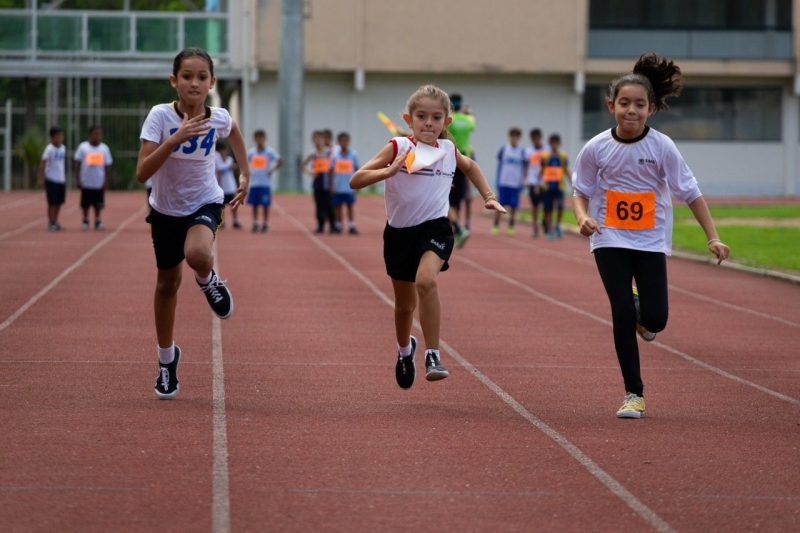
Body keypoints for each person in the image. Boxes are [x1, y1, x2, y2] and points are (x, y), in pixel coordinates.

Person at [572, 52, 730, 419]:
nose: (631, 111)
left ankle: (644, 316)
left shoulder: (662, 147)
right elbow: (580, 191)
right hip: (609, 237)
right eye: (624, 103)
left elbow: (691, 193)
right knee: (622, 311)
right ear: (611, 105)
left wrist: (713, 237)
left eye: (639, 105)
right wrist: (582, 218)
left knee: (656, 318)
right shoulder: (596, 147)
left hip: (650, 239)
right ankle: (634, 393)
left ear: (652, 108)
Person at [350, 84, 506, 389]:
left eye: (436, 118)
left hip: (435, 229)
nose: (428, 123)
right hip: (399, 234)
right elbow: (356, 179)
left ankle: (433, 353)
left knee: (426, 281)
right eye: (421, 116)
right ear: (409, 119)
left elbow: (471, 166)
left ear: (447, 122)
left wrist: (488, 195)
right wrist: (388, 172)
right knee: (404, 306)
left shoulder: (448, 150)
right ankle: (405, 350)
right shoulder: (398, 147)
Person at [135, 47, 250, 400]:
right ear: (174, 81)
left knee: (199, 253)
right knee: (167, 285)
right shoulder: (159, 117)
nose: (194, 83)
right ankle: (167, 360)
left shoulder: (217, 117)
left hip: (205, 201)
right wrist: (175, 139)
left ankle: (208, 278)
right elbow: (142, 173)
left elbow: (234, 133)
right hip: (165, 210)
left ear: (212, 82)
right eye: (187, 76)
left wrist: (245, 173)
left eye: (202, 77)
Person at [447, 93, 476, 247]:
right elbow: (472, 122)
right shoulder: (468, 120)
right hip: (464, 159)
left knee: (444, 197)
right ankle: (457, 229)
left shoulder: (449, 120)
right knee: (457, 198)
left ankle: (456, 228)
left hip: (451, 158)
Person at [74, 125, 113, 231]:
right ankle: (85, 219)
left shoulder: (104, 148)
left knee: (98, 203)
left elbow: (107, 166)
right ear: (90, 134)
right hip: (86, 181)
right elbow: (77, 164)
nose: (98, 136)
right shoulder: (83, 147)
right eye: (96, 134)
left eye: (100, 134)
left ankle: (97, 220)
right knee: (85, 203)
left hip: (98, 182)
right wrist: (77, 179)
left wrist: (106, 181)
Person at [492, 127, 526, 236]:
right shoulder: (504, 150)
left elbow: (525, 167)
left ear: (519, 138)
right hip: (504, 182)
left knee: (514, 208)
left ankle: (511, 226)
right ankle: (496, 225)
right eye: (512, 136)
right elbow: (499, 165)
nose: (514, 139)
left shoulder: (522, 152)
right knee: (499, 206)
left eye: (516, 137)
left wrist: (523, 180)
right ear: (509, 137)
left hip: (515, 184)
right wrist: (497, 180)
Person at [247, 129, 282, 232]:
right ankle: (255, 222)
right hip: (254, 183)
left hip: (265, 183)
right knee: (254, 204)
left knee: (265, 204)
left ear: (264, 139)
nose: (259, 140)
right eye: (257, 138)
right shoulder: (251, 152)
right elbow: (245, 161)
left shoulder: (269, 151)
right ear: (254, 139)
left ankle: (265, 223)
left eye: (261, 138)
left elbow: (280, 161)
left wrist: (272, 170)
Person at [301, 130, 335, 233]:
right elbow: (303, 165)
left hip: (328, 182)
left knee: (329, 204)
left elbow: (334, 166)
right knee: (319, 205)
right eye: (315, 139)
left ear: (323, 140)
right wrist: (310, 173)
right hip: (317, 182)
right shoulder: (312, 153)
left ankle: (333, 226)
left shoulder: (329, 152)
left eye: (320, 139)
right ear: (312, 140)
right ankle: (320, 226)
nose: (318, 141)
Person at [329, 132, 360, 235]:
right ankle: (338, 225)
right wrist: (331, 185)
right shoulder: (335, 155)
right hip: (338, 186)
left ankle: (351, 225)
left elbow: (358, 169)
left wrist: (359, 184)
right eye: (341, 140)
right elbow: (331, 171)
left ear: (348, 142)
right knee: (337, 206)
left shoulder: (353, 154)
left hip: (349, 186)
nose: (344, 142)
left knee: (350, 206)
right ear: (338, 142)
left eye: (345, 140)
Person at [541, 133, 570, 240]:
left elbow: (566, 170)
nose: (554, 145)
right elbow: (541, 170)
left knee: (560, 207)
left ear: (559, 144)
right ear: (549, 144)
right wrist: (537, 183)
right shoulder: (545, 156)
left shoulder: (563, 156)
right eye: (552, 143)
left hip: (559, 187)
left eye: (556, 143)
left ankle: (557, 224)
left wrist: (572, 181)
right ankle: (549, 230)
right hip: (547, 187)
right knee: (548, 210)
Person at [37, 126, 67, 231]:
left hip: (61, 179)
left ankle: (56, 220)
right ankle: (51, 221)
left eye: (61, 135)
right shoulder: (49, 149)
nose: (60, 138)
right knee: (52, 202)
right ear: (52, 137)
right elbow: (43, 163)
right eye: (57, 136)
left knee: (59, 202)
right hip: (51, 178)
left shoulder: (63, 148)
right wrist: (41, 178)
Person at [524, 128, 547, 238]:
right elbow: (526, 166)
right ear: (532, 139)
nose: (536, 140)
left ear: (540, 138)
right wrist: (525, 178)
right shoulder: (528, 151)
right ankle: (535, 228)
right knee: (534, 206)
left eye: (537, 138)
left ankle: (544, 221)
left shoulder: (546, 150)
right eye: (534, 139)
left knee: (545, 205)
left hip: (545, 182)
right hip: (533, 181)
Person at [215, 141, 241, 229]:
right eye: (222, 151)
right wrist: (229, 166)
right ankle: (222, 222)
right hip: (222, 187)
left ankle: (235, 221)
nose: (223, 153)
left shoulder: (230, 159)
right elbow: (219, 169)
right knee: (222, 206)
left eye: (224, 151)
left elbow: (234, 168)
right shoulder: (216, 159)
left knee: (233, 205)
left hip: (231, 186)